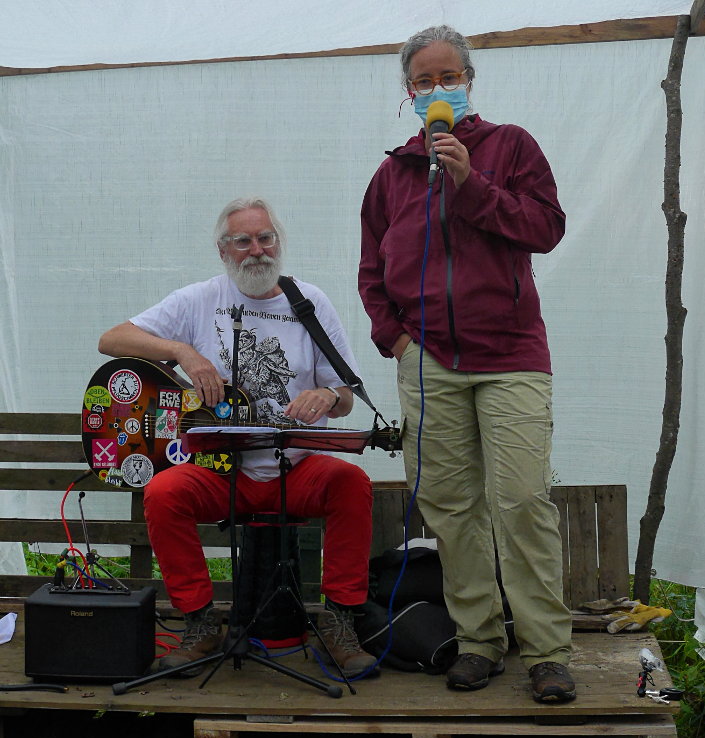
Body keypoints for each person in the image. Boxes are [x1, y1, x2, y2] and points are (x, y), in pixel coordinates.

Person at [358, 25, 575, 702]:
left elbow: (545, 228)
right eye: (424, 80)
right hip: (428, 362)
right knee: (449, 506)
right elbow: (372, 271)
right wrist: (395, 339)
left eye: (448, 76)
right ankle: (480, 641)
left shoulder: (510, 147)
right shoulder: (391, 174)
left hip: (509, 355)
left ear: (469, 80)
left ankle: (546, 650)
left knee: (521, 501)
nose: (437, 88)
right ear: (408, 92)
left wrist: (470, 183)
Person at [99, 197, 377, 679]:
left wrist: (327, 399)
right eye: (243, 240)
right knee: (163, 492)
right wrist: (182, 351)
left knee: (351, 484)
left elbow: (346, 395)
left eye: (265, 238)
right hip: (220, 472)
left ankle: (338, 623)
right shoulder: (198, 300)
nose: (257, 250)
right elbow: (112, 339)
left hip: (298, 467)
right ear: (223, 250)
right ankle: (201, 623)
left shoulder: (308, 303)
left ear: (279, 242)